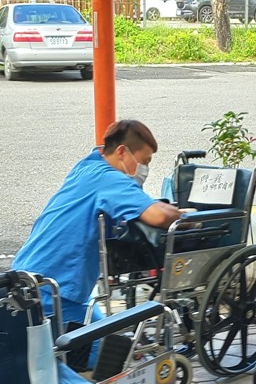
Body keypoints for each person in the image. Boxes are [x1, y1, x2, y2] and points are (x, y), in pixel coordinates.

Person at [11, 119, 181, 324]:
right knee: (97, 350)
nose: (145, 168)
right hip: (56, 286)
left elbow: (145, 204)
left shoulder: (87, 166)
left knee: (99, 335)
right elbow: (159, 216)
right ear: (121, 152)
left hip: (29, 271)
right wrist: (186, 217)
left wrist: (170, 208)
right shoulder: (110, 180)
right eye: (144, 161)